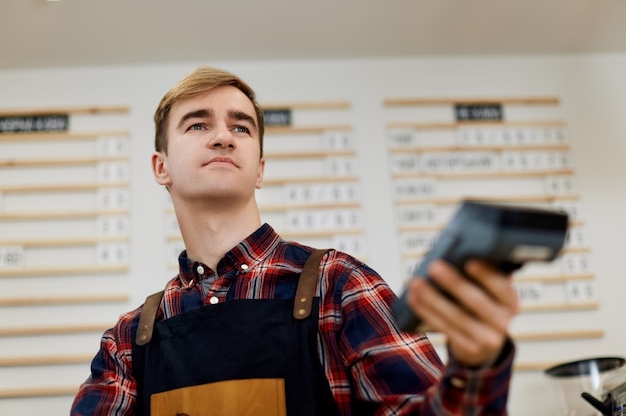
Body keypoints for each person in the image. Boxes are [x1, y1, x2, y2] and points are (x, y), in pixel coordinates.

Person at [71, 66, 518, 416]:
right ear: (160, 167)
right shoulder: (128, 340)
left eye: (241, 127)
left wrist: (475, 369)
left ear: (260, 168)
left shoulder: (340, 284)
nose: (224, 136)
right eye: (198, 125)